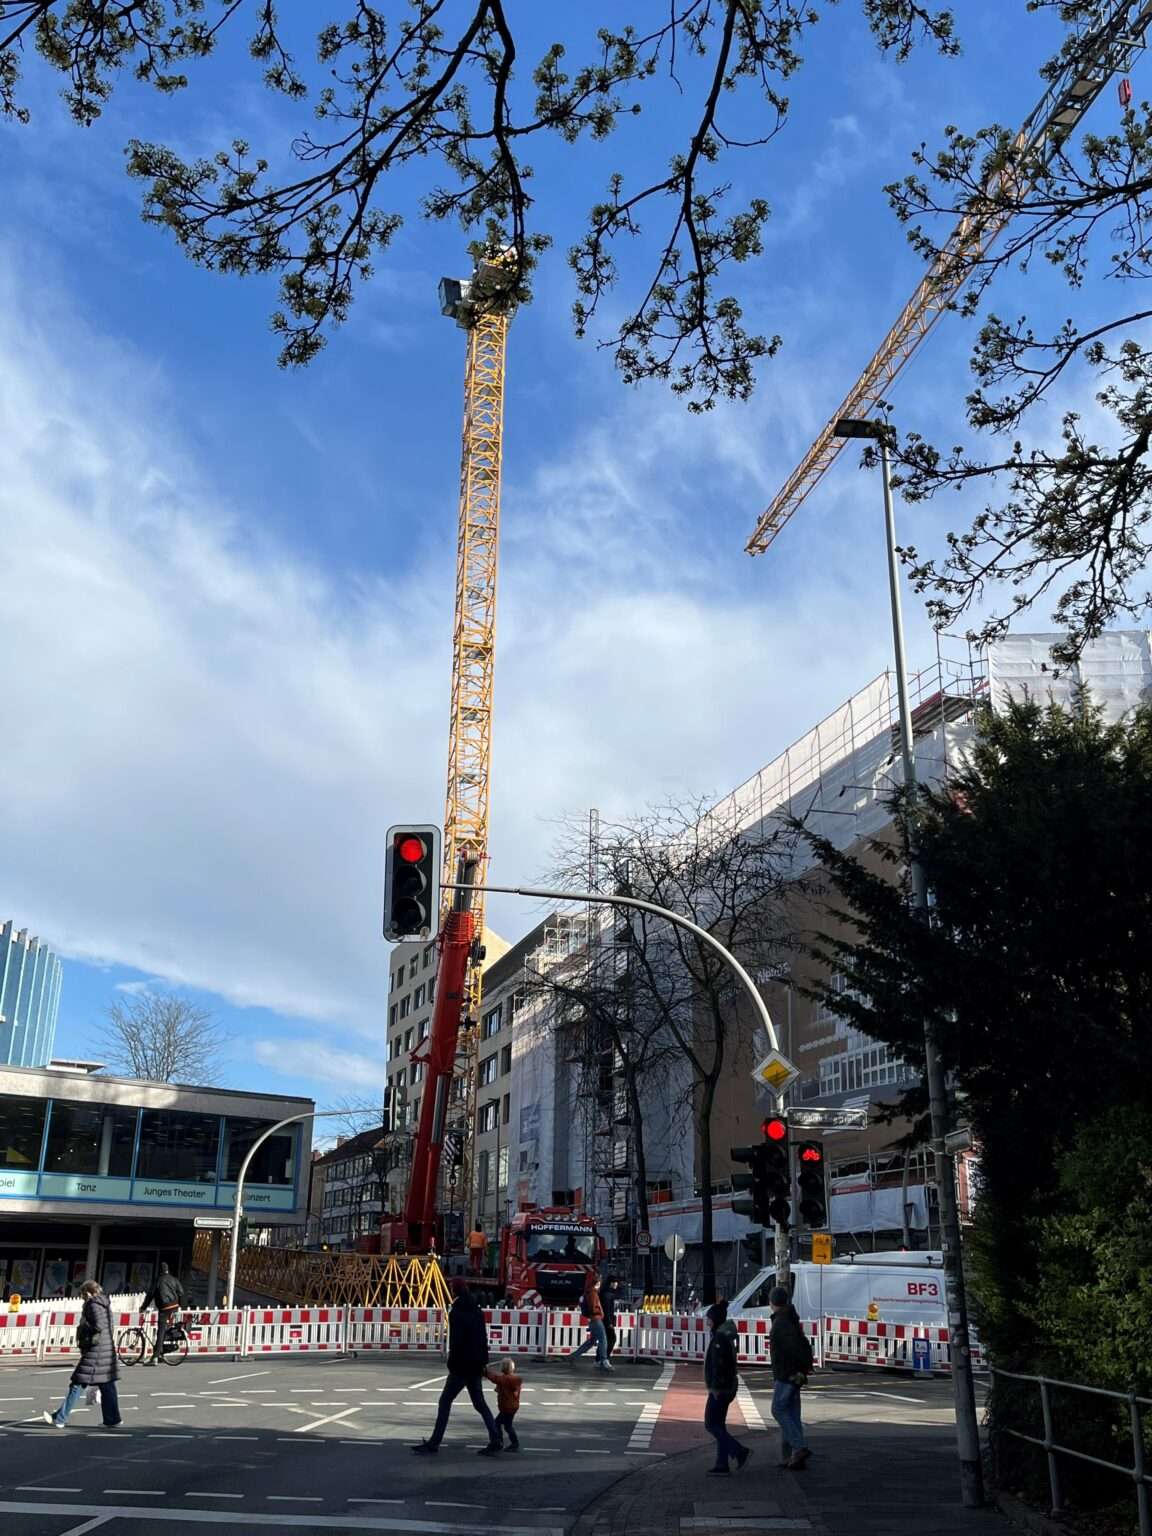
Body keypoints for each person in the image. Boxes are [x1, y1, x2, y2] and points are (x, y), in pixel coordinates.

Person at [412, 1278, 501, 1456]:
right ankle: (496, 1439)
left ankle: (434, 1443)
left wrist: (452, 1364)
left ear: (455, 1291)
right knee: (480, 1404)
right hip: (475, 1365)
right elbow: (482, 1339)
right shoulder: (477, 1311)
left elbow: (456, 1342)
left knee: (445, 1402)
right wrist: (483, 1363)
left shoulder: (456, 1312)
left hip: (460, 1366)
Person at [42, 1279, 123, 1431]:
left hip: (95, 1351)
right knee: (107, 1385)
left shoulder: (92, 1304)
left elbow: (98, 1326)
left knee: (77, 1384)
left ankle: (60, 1418)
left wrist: (84, 1327)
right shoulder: (105, 1304)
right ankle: (112, 1419)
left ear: (88, 1292)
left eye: (82, 1295)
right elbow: (108, 1326)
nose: (82, 1298)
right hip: (106, 1349)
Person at [702, 1300, 750, 1475]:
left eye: (708, 1319)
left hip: (720, 1388)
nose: (706, 1322)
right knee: (719, 1425)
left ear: (714, 1320)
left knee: (711, 1424)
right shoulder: (724, 1335)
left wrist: (715, 1387)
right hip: (727, 1386)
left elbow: (719, 1365)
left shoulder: (719, 1339)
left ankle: (739, 1451)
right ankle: (722, 1464)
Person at [769, 1285, 814, 1469]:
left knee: (778, 1410)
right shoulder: (790, 1318)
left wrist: (794, 1371)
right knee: (793, 1413)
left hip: (787, 1374)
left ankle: (799, 1447)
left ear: (772, 1303)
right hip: (794, 1374)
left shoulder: (781, 1323)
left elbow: (790, 1350)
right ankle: (794, 1456)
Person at [140, 1262, 184, 1364]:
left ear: (159, 1271)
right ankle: (160, 1351)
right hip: (174, 1306)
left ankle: (155, 1357)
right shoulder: (174, 1279)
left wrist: (143, 1307)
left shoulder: (158, 1280)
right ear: (167, 1270)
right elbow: (181, 1292)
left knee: (161, 1331)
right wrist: (179, 1305)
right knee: (165, 1328)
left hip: (164, 1307)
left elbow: (150, 1295)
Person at [570, 1273, 612, 1372]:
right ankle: (604, 1361)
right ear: (598, 1283)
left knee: (592, 1341)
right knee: (603, 1339)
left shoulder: (588, 1292)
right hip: (596, 1319)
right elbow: (593, 1307)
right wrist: (599, 1312)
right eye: (600, 1282)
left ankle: (574, 1356)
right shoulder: (593, 1293)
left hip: (593, 1319)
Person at [485, 1357, 522, 1450]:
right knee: (506, 1425)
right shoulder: (514, 1379)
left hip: (507, 1407)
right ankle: (512, 1443)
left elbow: (495, 1378)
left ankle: (503, 1442)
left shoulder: (505, 1379)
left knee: (499, 1424)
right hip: (512, 1406)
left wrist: (485, 1371)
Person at [601, 1274, 620, 1359]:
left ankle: (600, 1359)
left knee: (604, 1340)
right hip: (607, 1322)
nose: (617, 1284)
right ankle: (605, 1358)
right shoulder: (608, 1295)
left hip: (604, 1320)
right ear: (611, 1283)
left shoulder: (605, 1293)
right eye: (615, 1282)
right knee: (612, 1339)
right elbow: (607, 1310)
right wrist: (609, 1323)